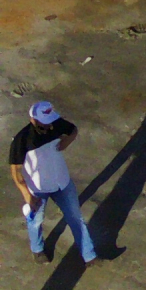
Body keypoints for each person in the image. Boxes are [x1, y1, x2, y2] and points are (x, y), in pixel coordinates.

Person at [13, 101, 96, 265]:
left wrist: (68, 140)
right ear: (33, 120)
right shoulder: (22, 140)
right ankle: (37, 250)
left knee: (76, 218)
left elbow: (73, 130)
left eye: (50, 119)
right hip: (38, 188)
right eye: (45, 121)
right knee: (36, 220)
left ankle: (89, 255)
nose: (49, 124)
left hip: (62, 182)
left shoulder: (56, 124)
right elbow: (16, 172)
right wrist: (27, 196)